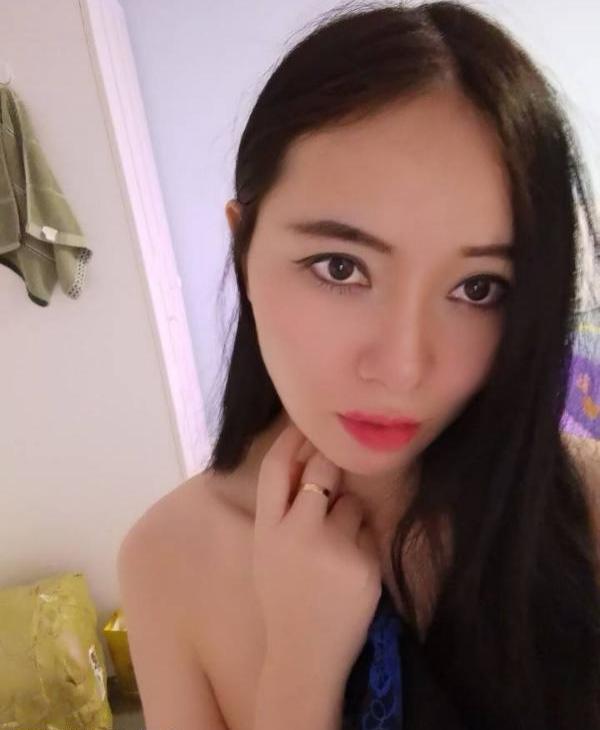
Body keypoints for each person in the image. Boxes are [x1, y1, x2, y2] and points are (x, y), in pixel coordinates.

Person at [117, 2, 600, 729]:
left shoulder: (582, 506)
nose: (402, 369)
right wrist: (300, 668)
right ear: (243, 250)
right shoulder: (168, 559)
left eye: (478, 289)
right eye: (340, 267)